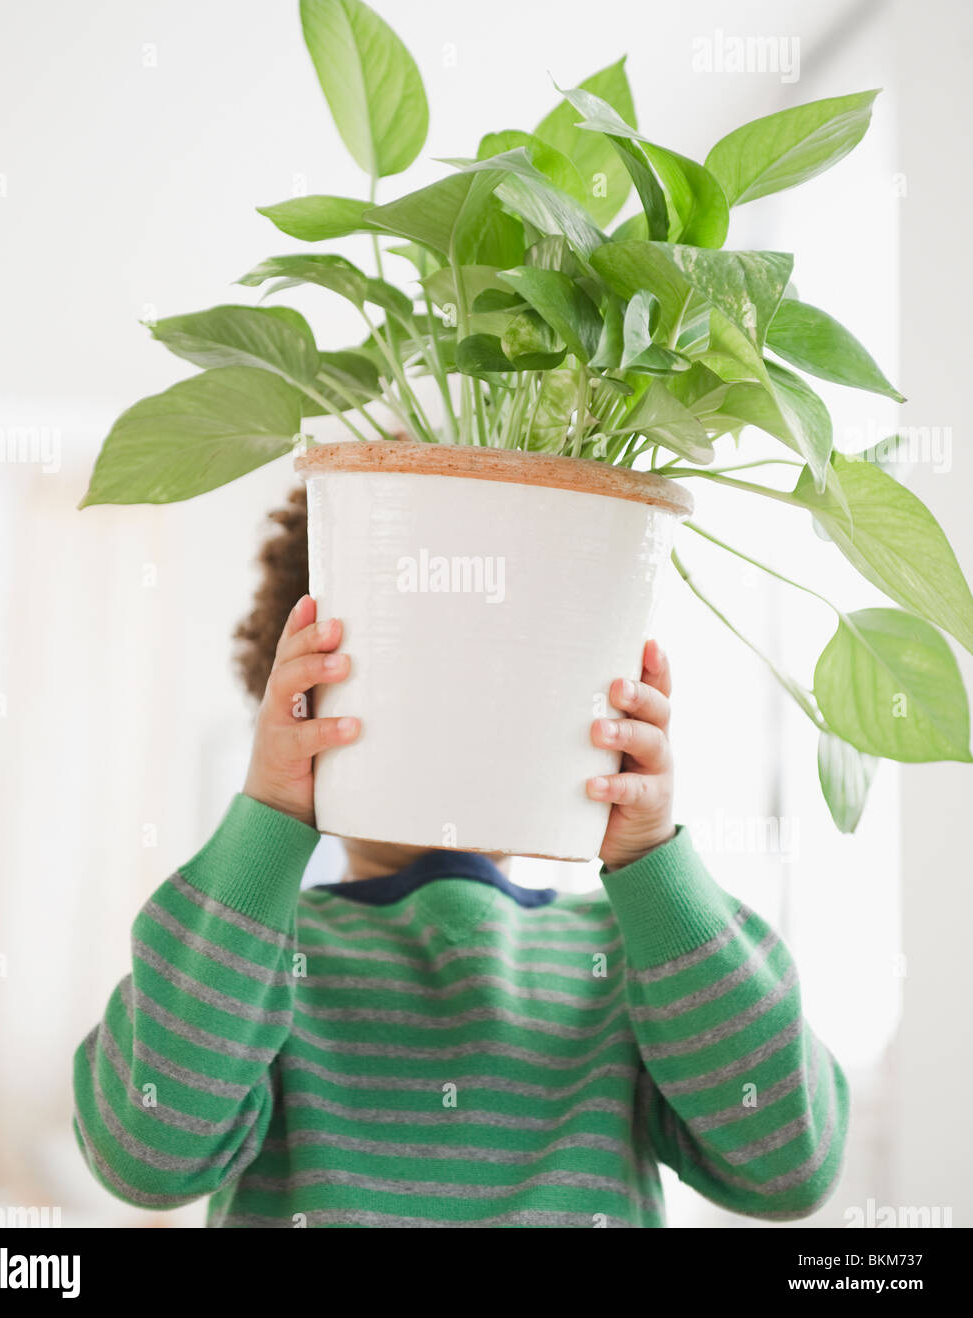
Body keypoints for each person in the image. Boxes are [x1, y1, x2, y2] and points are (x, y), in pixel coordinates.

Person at [72, 486, 848, 1228]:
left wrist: (653, 868)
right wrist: (268, 818)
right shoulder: (257, 962)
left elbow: (788, 1166)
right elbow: (146, 1153)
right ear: (303, 704)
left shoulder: (629, 965)